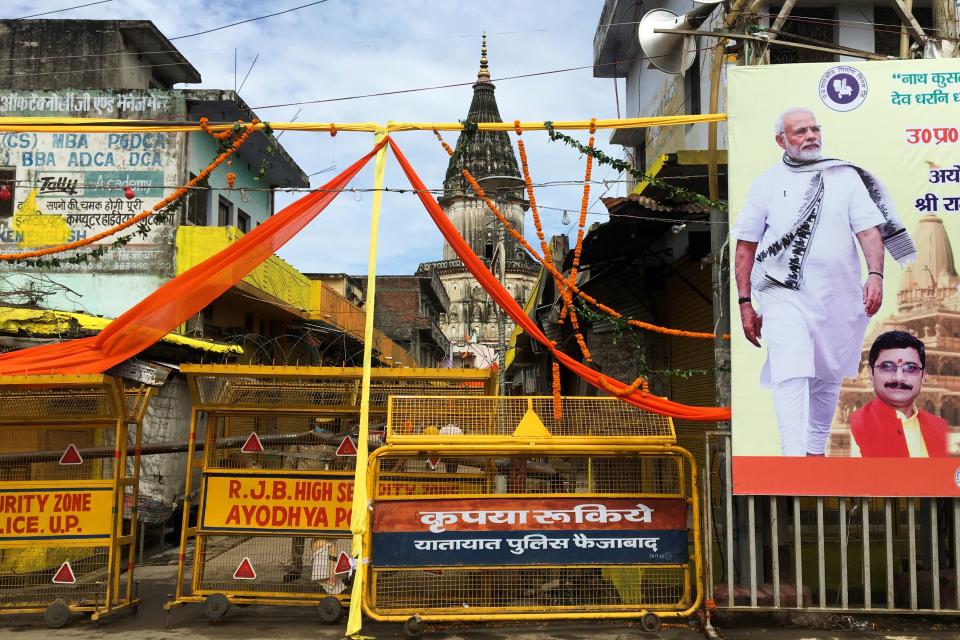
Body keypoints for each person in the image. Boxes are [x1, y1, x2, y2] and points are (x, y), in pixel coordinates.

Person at [733, 107, 916, 456]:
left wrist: (875, 276)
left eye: (814, 129)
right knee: (792, 362)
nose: (811, 136)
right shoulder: (766, 184)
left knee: (828, 372)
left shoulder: (843, 177)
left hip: (837, 294)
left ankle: (815, 451)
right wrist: (745, 303)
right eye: (801, 131)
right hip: (782, 293)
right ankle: (792, 454)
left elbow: (868, 231)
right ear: (781, 140)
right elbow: (746, 247)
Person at [848, 331, 949, 457]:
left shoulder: (940, 429)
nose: (899, 377)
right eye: (887, 367)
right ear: (870, 372)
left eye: (910, 368)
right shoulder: (855, 427)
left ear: (923, 376)